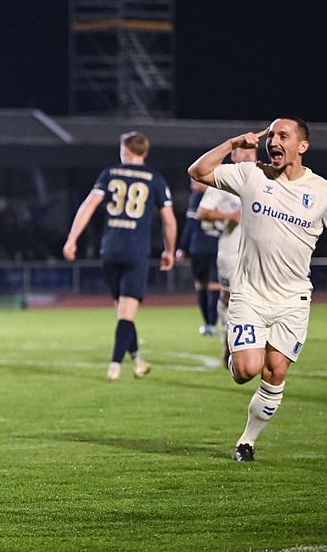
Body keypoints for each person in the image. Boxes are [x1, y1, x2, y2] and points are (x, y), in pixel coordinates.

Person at [188, 116, 327, 462]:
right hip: (249, 294)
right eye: (271, 135)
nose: (273, 141)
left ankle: (247, 442)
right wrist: (233, 144)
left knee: (275, 371)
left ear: (302, 146)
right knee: (245, 371)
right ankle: (235, 351)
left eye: (283, 135)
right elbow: (198, 172)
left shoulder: (325, 191)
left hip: (293, 300)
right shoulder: (252, 175)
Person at [63, 131, 177, 381]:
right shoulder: (155, 178)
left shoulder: (109, 173)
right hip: (136, 250)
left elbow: (88, 206)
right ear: (145, 152)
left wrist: (72, 239)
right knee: (127, 314)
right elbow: (168, 220)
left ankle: (137, 361)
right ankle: (115, 365)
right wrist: (169, 250)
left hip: (110, 249)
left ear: (125, 150)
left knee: (123, 311)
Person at [197, 145, 258, 365]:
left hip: (259, 252)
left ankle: (254, 344)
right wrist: (229, 216)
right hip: (231, 251)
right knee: (228, 297)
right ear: (233, 156)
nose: (249, 154)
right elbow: (202, 212)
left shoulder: (264, 178)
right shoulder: (223, 180)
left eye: (253, 150)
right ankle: (228, 340)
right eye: (244, 150)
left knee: (258, 298)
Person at [176, 180, 223, 336]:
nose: (192, 186)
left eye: (195, 182)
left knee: (206, 286)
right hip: (216, 246)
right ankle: (211, 323)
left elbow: (190, 225)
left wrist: (182, 247)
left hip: (202, 247)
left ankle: (209, 323)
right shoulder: (221, 194)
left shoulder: (198, 197)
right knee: (211, 286)